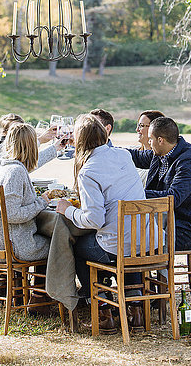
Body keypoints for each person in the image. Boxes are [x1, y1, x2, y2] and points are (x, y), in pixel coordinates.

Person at [56, 113, 150, 333]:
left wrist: (67, 209)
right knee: (127, 241)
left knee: (79, 248)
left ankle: (103, 311)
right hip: (146, 242)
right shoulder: (123, 155)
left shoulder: (88, 171)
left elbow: (94, 219)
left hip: (120, 245)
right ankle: (135, 311)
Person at [128, 117, 191, 251]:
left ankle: (144, 271)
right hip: (164, 222)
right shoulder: (161, 152)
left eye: (150, 139)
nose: (148, 142)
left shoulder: (189, 161)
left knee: (134, 242)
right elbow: (137, 157)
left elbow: (173, 197)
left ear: (160, 140)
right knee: (128, 236)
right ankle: (142, 271)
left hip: (188, 229)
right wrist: (109, 150)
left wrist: (137, 193)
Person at [0, 122, 50, 261]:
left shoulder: (1, 166)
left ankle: (40, 283)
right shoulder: (15, 171)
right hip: (15, 246)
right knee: (60, 244)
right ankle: (52, 283)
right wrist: (41, 202)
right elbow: (12, 214)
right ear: (31, 146)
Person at [130, 110, 165, 186]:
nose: (137, 130)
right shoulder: (132, 151)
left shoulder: (163, 160)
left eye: (141, 126)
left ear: (154, 129)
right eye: (138, 125)